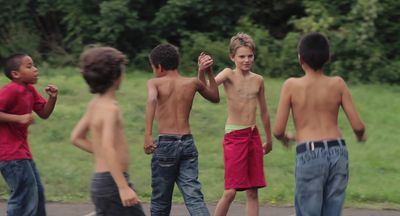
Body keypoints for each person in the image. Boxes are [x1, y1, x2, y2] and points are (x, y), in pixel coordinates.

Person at [273, 32, 367, 216]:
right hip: (338, 151)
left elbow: (278, 130)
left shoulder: (291, 85)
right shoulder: (338, 84)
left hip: (309, 152)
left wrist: (287, 138)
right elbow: (358, 126)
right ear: (328, 58)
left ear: (300, 59)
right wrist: (360, 137)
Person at [144, 44, 219, 216]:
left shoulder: (154, 82)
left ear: (159, 67)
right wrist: (207, 71)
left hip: (166, 145)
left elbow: (152, 100)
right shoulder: (192, 82)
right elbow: (215, 97)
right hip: (187, 145)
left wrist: (148, 135)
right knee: (194, 198)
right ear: (177, 63)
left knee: (160, 202)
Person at [70, 47, 145, 216]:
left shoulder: (95, 104)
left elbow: (76, 137)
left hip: (101, 182)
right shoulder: (111, 109)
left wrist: (105, 157)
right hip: (113, 184)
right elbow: (107, 146)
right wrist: (123, 187)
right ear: (116, 76)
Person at [208, 32, 273, 216]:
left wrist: (268, 139)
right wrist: (204, 70)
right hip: (234, 137)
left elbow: (265, 111)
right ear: (232, 57)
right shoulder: (228, 74)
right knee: (230, 191)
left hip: (253, 135)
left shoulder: (258, 80)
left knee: (253, 191)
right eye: (241, 56)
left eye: (249, 56)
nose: (246, 60)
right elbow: (208, 87)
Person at [0, 53, 58, 216]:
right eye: (29, 66)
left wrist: (52, 98)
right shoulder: (11, 90)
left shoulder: (29, 90)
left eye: (34, 65)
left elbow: (44, 113)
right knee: (24, 198)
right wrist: (18, 118)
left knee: (37, 193)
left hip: (22, 153)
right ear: (16, 74)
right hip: (10, 155)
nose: (35, 69)